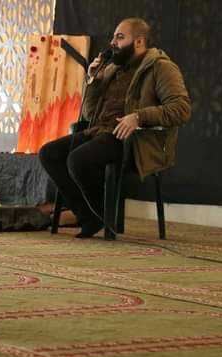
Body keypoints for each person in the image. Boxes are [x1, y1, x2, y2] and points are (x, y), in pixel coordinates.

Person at [39, 18, 191, 238]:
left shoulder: (161, 67)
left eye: (120, 37)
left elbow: (181, 109)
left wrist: (139, 117)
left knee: (78, 159)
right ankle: (89, 215)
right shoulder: (112, 69)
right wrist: (94, 80)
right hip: (100, 133)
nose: (113, 43)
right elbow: (89, 114)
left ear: (139, 42)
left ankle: (99, 214)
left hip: (134, 140)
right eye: (113, 37)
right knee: (49, 153)